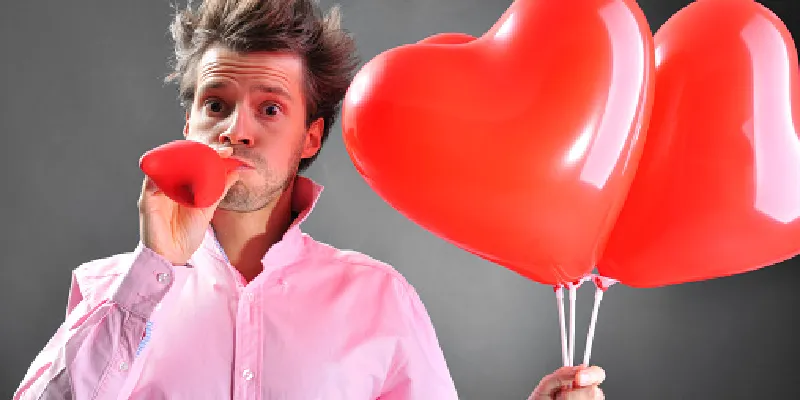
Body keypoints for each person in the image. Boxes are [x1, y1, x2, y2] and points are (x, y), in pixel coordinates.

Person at [13, 0, 605, 399]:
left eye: (270, 107)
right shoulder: (110, 289)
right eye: (215, 104)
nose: (235, 130)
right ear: (190, 122)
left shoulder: (379, 298)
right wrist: (153, 269)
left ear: (310, 137)